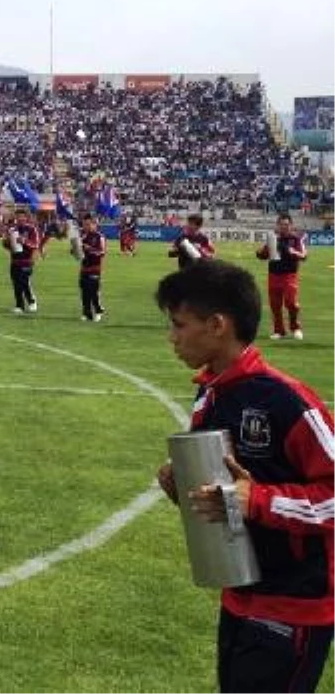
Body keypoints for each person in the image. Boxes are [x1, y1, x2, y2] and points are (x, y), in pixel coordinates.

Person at [155, 260, 335, 693]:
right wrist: (186, 487)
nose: (172, 337)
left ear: (217, 324)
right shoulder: (212, 392)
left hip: (295, 602)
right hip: (240, 590)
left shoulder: (286, 401)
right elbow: (233, 489)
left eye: (180, 325)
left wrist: (256, 499)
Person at [257, 212, 307, 341]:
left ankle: (295, 327)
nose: (284, 227)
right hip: (274, 275)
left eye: (286, 224)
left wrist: (291, 251)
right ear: (277, 225)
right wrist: (261, 252)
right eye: (281, 224)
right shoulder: (273, 238)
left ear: (291, 225)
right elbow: (264, 255)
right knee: (275, 305)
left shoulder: (296, 239)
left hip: (289, 275)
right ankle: (279, 330)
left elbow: (304, 256)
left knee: (291, 303)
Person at [2, 207, 40, 314]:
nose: (19, 219)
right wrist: (7, 242)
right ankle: (19, 305)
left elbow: (36, 244)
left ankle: (32, 301)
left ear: (26, 217)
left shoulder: (31, 229)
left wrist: (24, 241)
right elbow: (7, 246)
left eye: (21, 216)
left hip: (26, 260)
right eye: (17, 217)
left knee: (24, 282)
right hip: (15, 260)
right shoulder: (12, 229)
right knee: (16, 283)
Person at [77, 212, 106, 322]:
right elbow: (79, 254)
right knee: (84, 292)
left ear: (94, 224)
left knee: (93, 291)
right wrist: (75, 250)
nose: (86, 227)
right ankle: (86, 313)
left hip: (95, 268)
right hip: (84, 268)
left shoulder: (99, 237)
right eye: (84, 224)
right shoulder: (83, 236)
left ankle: (98, 311)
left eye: (89, 224)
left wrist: (89, 248)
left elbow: (101, 252)